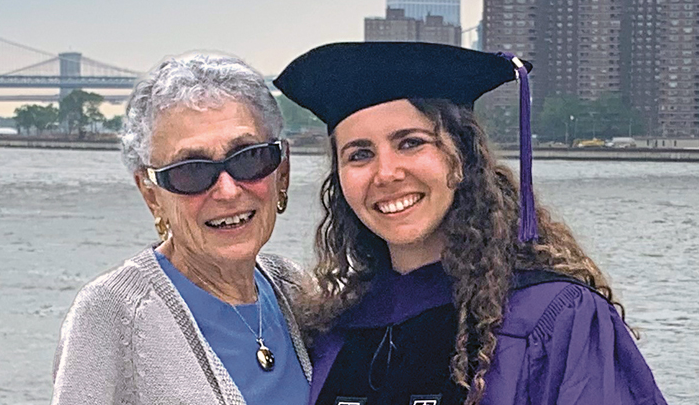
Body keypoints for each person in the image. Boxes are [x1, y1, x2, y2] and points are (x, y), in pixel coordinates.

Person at [274, 42, 667, 405]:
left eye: (411, 142)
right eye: (359, 154)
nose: (386, 173)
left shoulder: (554, 316)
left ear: (462, 156)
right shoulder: (337, 329)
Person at [52, 53, 311, 404]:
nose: (228, 190)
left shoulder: (296, 291)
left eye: (249, 158)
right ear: (151, 195)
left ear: (283, 171)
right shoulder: (110, 314)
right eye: (191, 171)